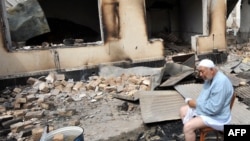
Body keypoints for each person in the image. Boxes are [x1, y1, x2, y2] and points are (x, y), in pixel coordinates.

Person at [179, 59, 234, 141]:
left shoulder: (221, 82)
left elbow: (214, 109)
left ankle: (190, 131)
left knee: (188, 127)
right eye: (199, 72)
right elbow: (203, 98)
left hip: (218, 117)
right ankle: (192, 133)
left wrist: (196, 104)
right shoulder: (209, 78)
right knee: (183, 110)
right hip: (209, 110)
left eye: (202, 72)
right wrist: (193, 102)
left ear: (211, 70)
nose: (200, 75)